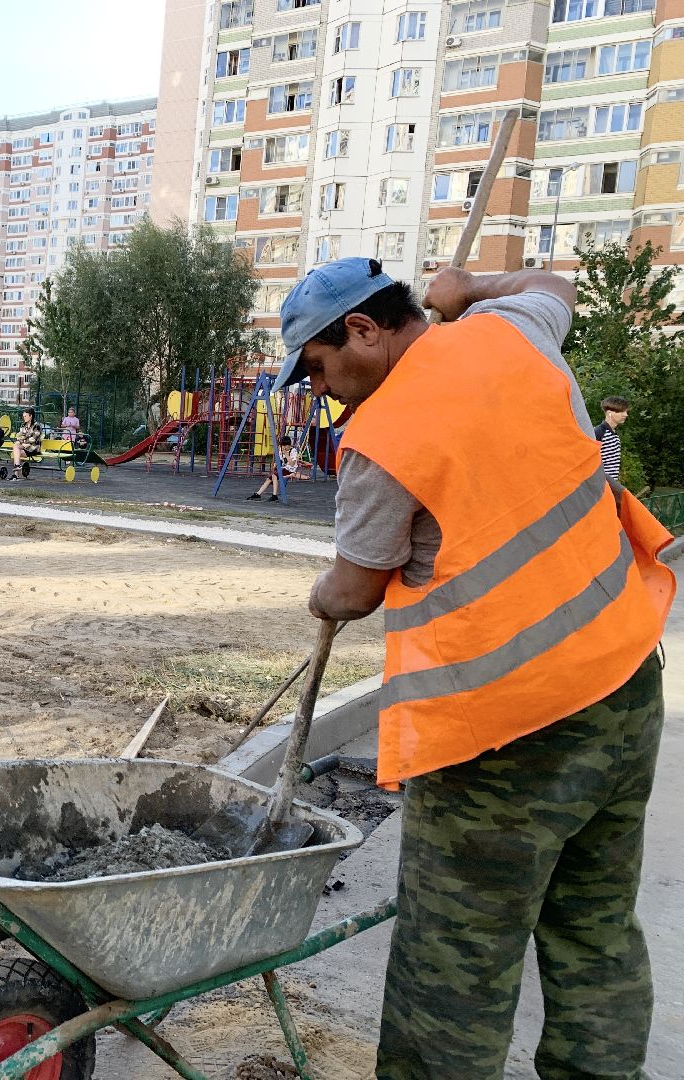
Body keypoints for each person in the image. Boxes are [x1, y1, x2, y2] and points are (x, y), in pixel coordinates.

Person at [274, 257, 675, 1080]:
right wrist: (467, 288)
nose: (320, 391)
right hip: (622, 687)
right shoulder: (510, 331)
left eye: (317, 368)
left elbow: (353, 590)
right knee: (594, 928)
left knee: (454, 969)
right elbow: (556, 286)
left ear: (362, 330)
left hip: (504, 735)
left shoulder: (381, 440)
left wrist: (320, 595)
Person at [247, 435, 299, 501]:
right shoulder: (281, 450)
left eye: (285, 445)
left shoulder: (293, 451)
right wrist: (275, 465)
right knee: (269, 479)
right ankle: (258, 494)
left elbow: (292, 464)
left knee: (274, 476)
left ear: (289, 445)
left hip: (290, 470)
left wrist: (286, 454)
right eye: (282, 445)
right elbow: (279, 460)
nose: (284, 447)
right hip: (283, 469)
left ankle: (274, 495)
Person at [594, 395, 628, 482]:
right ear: (610, 413)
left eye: (626, 411)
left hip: (611, 485)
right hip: (600, 485)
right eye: (622, 412)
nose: (625, 415)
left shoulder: (614, 435)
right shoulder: (599, 432)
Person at [10, 408, 43, 480]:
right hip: (26, 448)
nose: (24, 418)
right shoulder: (23, 425)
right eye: (23, 416)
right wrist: (20, 441)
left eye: (25, 416)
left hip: (34, 448)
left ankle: (16, 472)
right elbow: (19, 435)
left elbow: (34, 438)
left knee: (16, 448)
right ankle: (16, 474)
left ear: (30, 416)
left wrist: (24, 442)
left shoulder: (37, 426)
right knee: (16, 450)